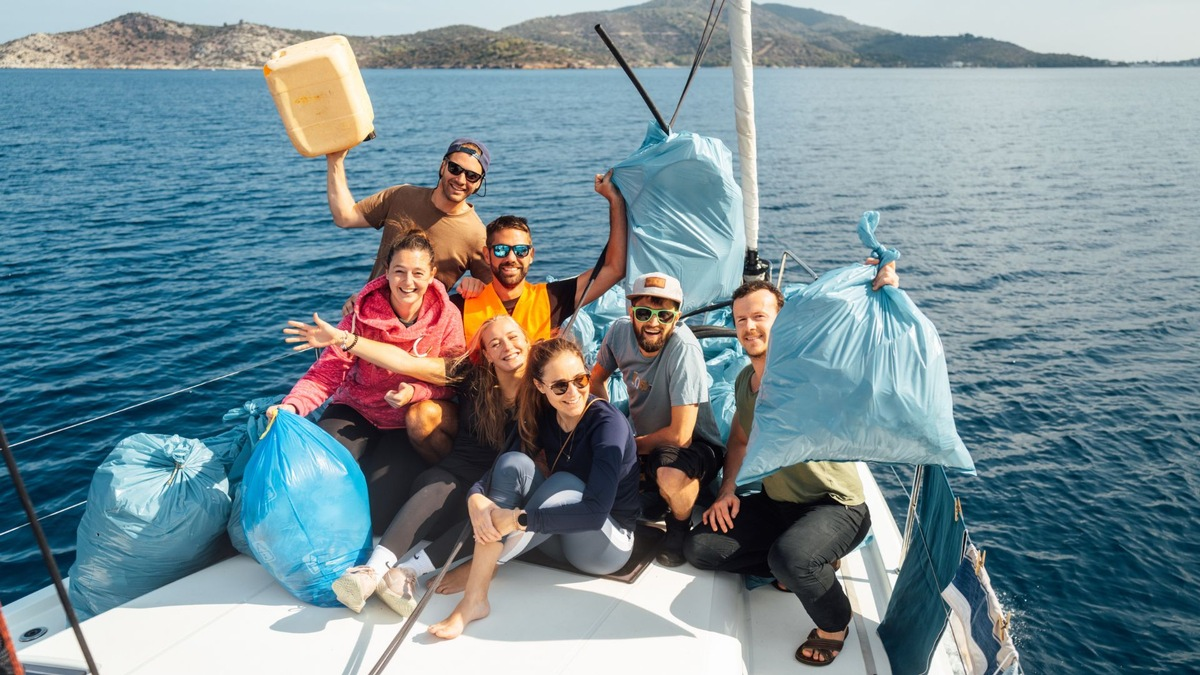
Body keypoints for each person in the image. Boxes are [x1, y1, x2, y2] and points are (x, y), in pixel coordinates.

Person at [684, 267, 897, 668]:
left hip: (836, 507)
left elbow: (862, 351)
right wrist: (728, 489)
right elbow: (741, 441)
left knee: (791, 560)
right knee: (700, 547)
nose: (748, 327)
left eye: (760, 316)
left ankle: (835, 624)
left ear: (783, 320)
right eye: (741, 318)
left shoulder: (809, 371)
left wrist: (879, 296)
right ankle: (808, 558)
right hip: (778, 504)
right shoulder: (744, 380)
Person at [286, 314, 531, 615]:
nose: (507, 346)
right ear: (487, 354)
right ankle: (371, 573)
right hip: (452, 477)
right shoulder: (471, 374)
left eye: (513, 337)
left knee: (490, 514)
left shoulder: (543, 384)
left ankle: (406, 573)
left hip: (497, 491)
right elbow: (405, 362)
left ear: (528, 339)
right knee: (437, 486)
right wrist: (344, 339)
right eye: (495, 343)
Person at [426, 338, 640, 640]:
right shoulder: (543, 414)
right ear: (541, 387)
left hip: (604, 546)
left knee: (563, 485)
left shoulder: (608, 425)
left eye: (581, 380)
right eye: (559, 386)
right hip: (556, 537)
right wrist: (474, 496)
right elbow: (498, 468)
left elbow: (595, 513)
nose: (573, 392)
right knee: (514, 463)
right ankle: (482, 582)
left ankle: (478, 583)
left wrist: (516, 519)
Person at [273, 232, 465, 533]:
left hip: (403, 423)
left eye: (417, 273)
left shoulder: (447, 317)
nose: (407, 282)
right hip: (356, 409)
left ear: (431, 275)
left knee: (380, 510)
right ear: (386, 272)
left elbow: (453, 381)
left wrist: (416, 392)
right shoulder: (360, 314)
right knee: (317, 474)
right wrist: (291, 407)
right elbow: (327, 373)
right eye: (399, 271)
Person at [589, 272, 725, 568]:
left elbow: (681, 436)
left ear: (677, 316)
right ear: (631, 311)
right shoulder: (617, 333)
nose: (654, 322)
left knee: (669, 474)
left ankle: (678, 527)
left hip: (694, 445)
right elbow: (595, 379)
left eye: (664, 314)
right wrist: (606, 422)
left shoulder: (684, 350)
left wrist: (629, 448)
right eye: (644, 312)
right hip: (645, 439)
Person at [455, 171, 627, 344]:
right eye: (501, 250)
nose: (511, 258)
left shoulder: (551, 298)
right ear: (487, 255)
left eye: (521, 250)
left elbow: (614, 269)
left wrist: (615, 200)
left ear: (531, 255)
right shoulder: (462, 305)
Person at [326, 138, 493, 293]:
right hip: (369, 313)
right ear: (443, 166)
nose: (461, 180)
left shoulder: (477, 236)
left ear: (479, 183)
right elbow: (345, 217)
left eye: (472, 176)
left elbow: (496, 292)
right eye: (455, 169)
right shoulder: (402, 196)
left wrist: (474, 287)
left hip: (419, 325)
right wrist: (335, 161)